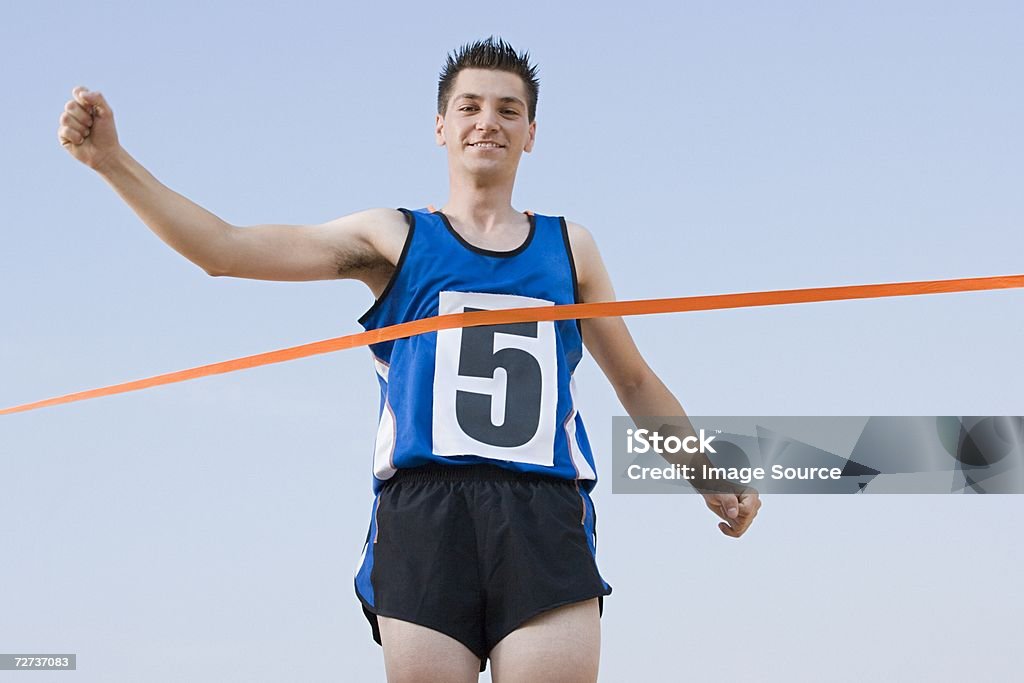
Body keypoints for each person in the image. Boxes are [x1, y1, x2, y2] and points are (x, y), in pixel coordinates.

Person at [58, 37, 761, 683]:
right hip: (426, 514)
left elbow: (633, 378)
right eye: (470, 106)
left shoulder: (570, 248)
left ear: (531, 134)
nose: (488, 120)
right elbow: (225, 249)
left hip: (543, 514)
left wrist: (707, 474)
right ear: (441, 126)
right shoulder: (393, 237)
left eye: (508, 110)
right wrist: (113, 162)